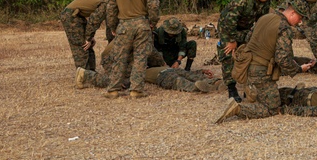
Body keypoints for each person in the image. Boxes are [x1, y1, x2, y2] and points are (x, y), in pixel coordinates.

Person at [214, 0, 316, 123]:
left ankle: (253, 92)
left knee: (272, 95)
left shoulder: (264, 18)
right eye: (300, 18)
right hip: (260, 73)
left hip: (247, 67)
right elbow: (283, 59)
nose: (300, 22)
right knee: (272, 108)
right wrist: (299, 69)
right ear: (292, 13)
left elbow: (248, 37)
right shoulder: (284, 28)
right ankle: (238, 108)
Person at [104, 0, 160, 99]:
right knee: (140, 57)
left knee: (119, 57)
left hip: (123, 24)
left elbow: (110, 7)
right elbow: (153, 5)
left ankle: (113, 89)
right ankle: (136, 90)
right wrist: (152, 22)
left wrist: (113, 25)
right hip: (142, 24)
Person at [217, 0, 278, 102]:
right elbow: (230, 21)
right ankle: (231, 89)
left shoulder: (266, 1)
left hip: (246, 28)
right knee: (228, 54)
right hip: (228, 28)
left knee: (250, 54)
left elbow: (261, 21)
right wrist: (232, 40)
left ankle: (248, 88)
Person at [76, 64, 221, 93]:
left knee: (179, 79)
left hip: (165, 72)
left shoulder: (138, 72)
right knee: (183, 76)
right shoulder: (141, 69)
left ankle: (203, 84)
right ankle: (209, 83)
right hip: (167, 71)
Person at [60, 0, 108, 71]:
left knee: (88, 45)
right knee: (82, 46)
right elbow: (94, 20)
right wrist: (88, 38)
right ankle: (83, 76)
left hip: (78, 15)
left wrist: (89, 37)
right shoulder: (107, 2)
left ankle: (91, 73)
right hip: (70, 15)